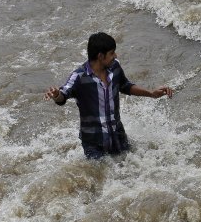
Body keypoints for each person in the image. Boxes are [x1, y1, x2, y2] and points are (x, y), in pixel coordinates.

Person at [45, 32, 173, 159]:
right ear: (100, 56)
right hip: (93, 143)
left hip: (118, 135)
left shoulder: (115, 67)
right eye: (112, 53)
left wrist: (151, 94)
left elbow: (125, 86)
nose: (115, 56)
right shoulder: (79, 77)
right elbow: (63, 95)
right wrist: (56, 94)